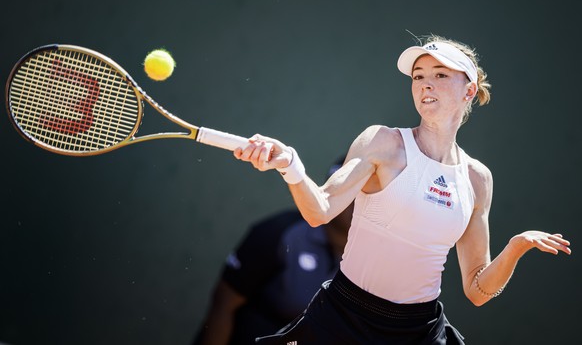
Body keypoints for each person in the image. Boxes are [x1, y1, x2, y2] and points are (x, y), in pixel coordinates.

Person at [233, 34, 572, 344]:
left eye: (440, 75)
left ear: (469, 91)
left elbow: (478, 289)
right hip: (342, 318)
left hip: (419, 332)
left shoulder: (477, 179)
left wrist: (516, 246)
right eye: (419, 76)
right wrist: (290, 165)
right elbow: (319, 209)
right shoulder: (383, 142)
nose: (426, 84)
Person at [194, 157, 353, 345]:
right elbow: (223, 306)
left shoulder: (380, 258)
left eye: (369, 195)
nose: (358, 201)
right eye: (353, 191)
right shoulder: (280, 233)